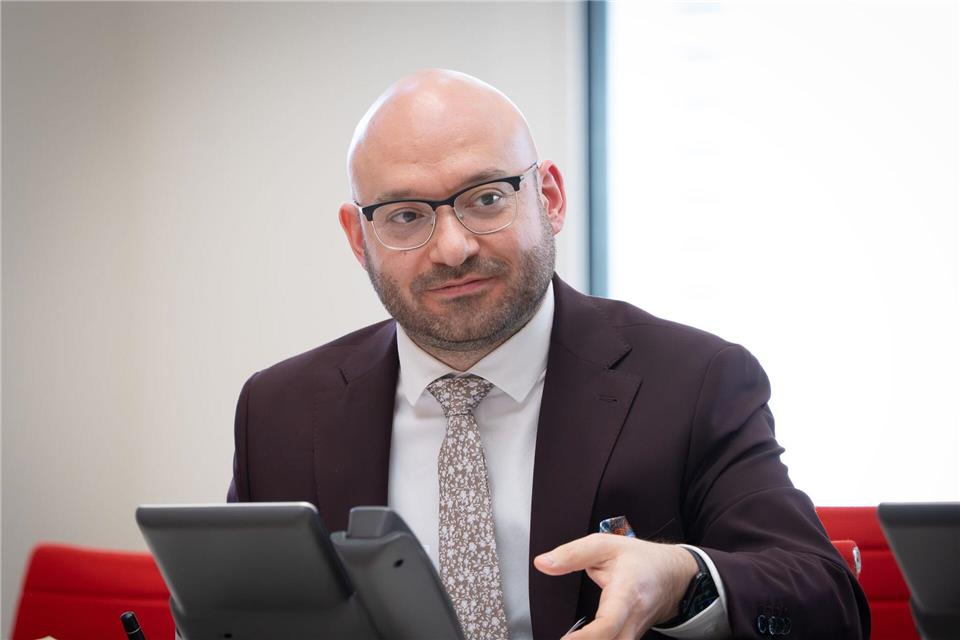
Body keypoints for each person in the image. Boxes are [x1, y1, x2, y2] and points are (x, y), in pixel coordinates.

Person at [227, 69, 869, 639]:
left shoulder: (695, 381)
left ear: (550, 198)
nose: (452, 248)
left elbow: (824, 599)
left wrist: (681, 578)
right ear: (357, 236)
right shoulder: (279, 410)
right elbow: (238, 614)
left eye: (486, 199)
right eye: (404, 215)